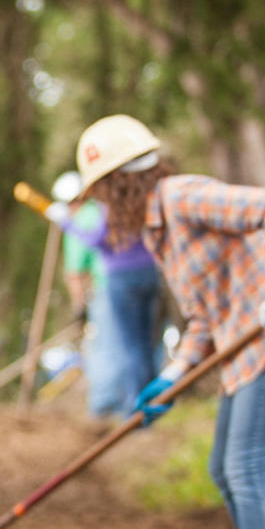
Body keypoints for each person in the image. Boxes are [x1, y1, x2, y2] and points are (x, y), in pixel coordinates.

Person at [75, 115, 265, 529]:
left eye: (100, 192)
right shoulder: (159, 234)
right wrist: (170, 378)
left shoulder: (183, 197)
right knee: (223, 471)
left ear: (119, 183)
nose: (101, 206)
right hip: (243, 345)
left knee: (244, 467)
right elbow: (204, 318)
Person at [46, 170, 164, 419]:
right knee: (147, 343)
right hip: (150, 273)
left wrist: (67, 224)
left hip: (118, 281)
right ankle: (151, 405)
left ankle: (132, 410)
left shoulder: (100, 211)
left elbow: (83, 260)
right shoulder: (137, 200)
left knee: (126, 347)